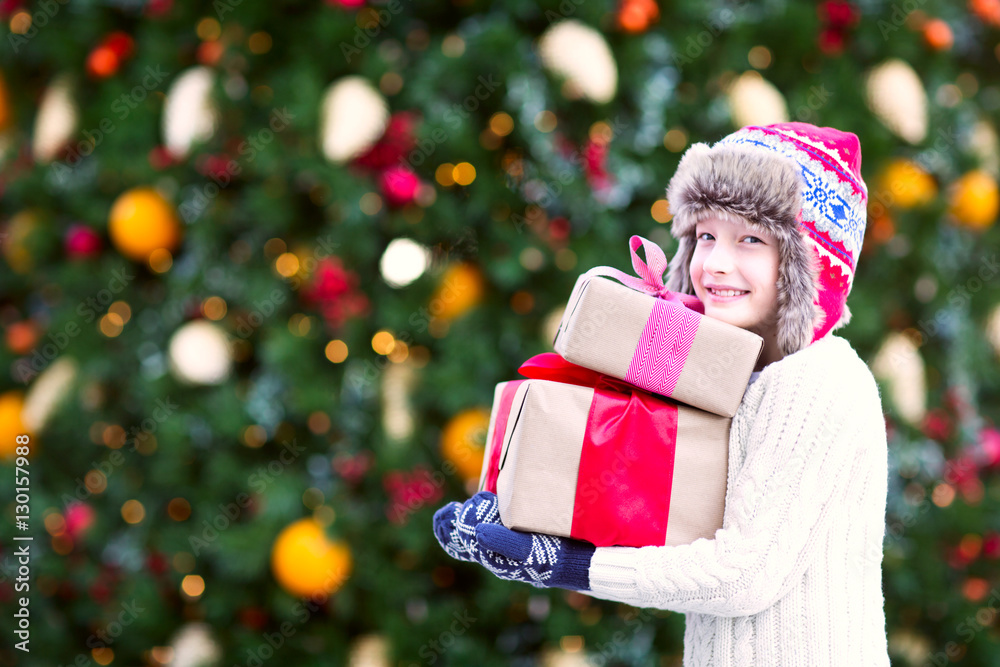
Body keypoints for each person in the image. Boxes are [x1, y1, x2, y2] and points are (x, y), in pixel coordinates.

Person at [432, 122, 890, 666]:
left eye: (750, 239)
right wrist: (525, 515)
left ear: (804, 267)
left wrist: (570, 564)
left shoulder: (818, 379)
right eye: (705, 235)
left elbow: (742, 574)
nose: (716, 263)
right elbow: (669, 524)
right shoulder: (738, 379)